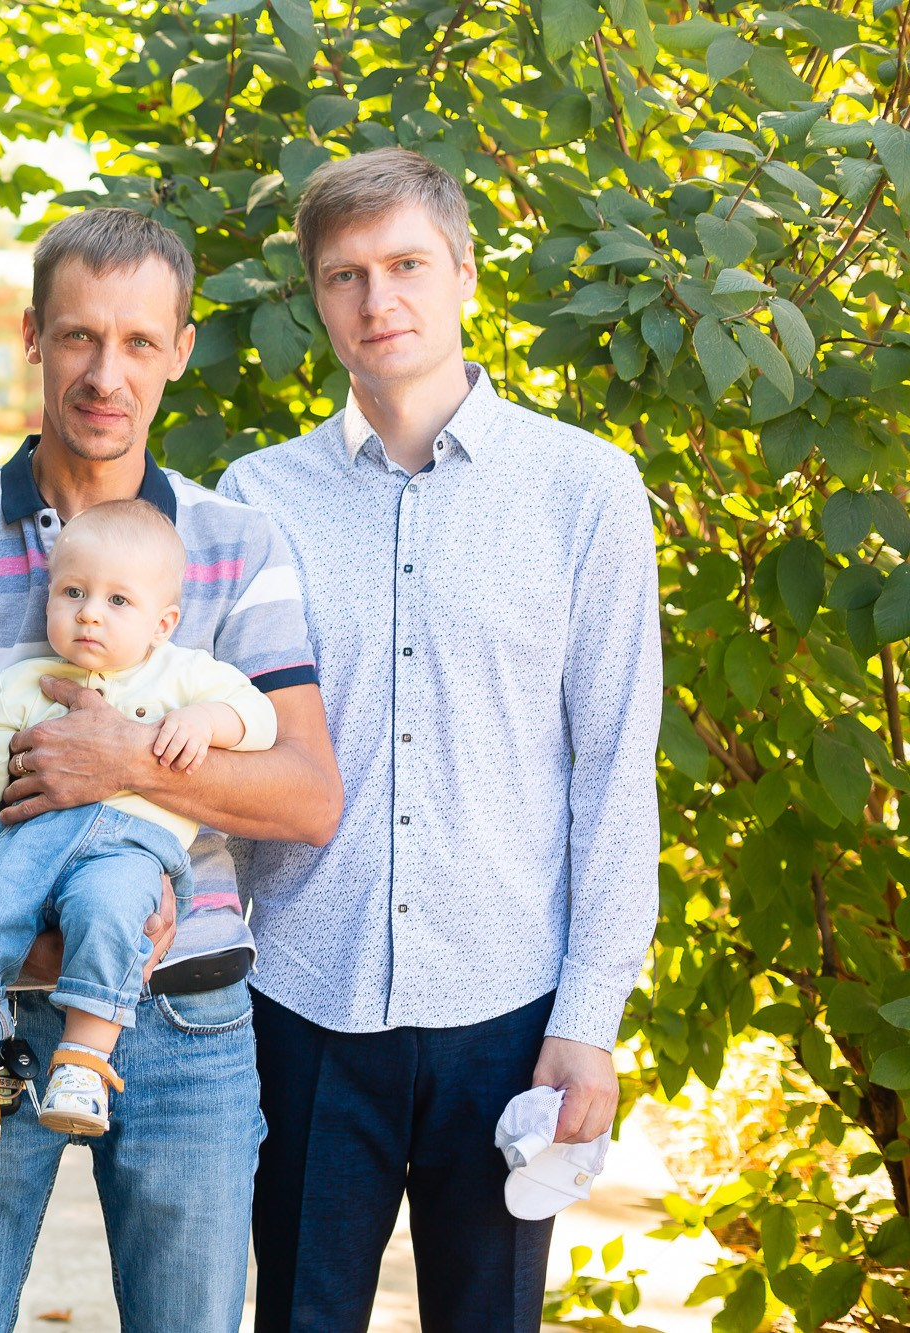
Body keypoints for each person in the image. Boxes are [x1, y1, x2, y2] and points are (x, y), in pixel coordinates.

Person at [0, 208, 343, 1333]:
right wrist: (34, 950)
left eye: (135, 342)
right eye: (77, 337)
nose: (103, 372)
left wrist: (122, 759)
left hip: (186, 1018)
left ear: (178, 348)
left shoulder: (237, 546)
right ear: (32, 337)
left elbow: (307, 794)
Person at [217, 147, 661, 1332]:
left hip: (508, 1013)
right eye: (344, 276)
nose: (377, 302)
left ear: (463, 271)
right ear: (314, 298)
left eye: (406, 264)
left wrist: (588, 1019)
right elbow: (222, 755)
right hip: (303, 1002)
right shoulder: (253, 499)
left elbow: (615, 766)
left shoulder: (584, 490)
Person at [0, 499, 277, 1151]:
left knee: (113, 910)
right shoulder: (23, 684)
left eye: (118, 600)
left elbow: (259, 717)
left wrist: (206, 722)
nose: (90, 610)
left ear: (162, 621)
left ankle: (84, 1062)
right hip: (25, 841)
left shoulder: (182, 674)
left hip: (127, 845)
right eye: (73, 591)